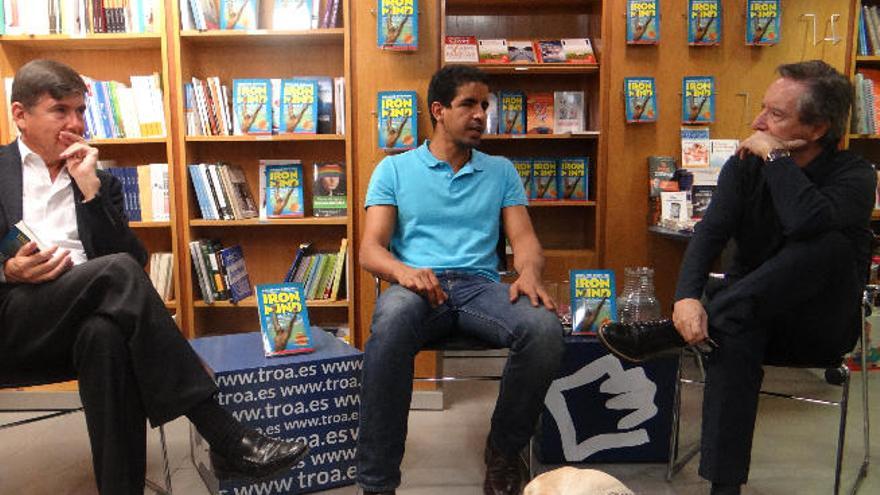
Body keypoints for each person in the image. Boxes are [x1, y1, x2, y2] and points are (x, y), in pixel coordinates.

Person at [0, 59, 308, 494]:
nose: (75, 124)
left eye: (81, 111)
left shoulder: (98, 181)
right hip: (14, 320)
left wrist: (89, 191)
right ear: (20, 115)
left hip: (76, 320)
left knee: (104, 333)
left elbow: (131, 263)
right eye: (60, 111)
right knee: (114, 276)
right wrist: (7, 270)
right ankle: (223, 434)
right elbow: (121, 271)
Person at [598, 60, 876, 494]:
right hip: (750, 315)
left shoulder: (855, 176)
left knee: (829, 244)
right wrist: (686, 298)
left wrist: (778, 158)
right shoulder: (744, 167)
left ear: (818, 128)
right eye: (763, 109)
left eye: (776, 115)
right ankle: (723, 488)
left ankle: (673, 332)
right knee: (734, 325)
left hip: (817, 327)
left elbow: (806, 220)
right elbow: (709, 236)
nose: (757, 123)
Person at [357, 65, 564, 495]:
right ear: (438, 110)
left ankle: (504, 453)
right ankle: (377, 481)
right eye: (468, 103)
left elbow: (525, 241)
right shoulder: (393, 170)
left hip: (479, 288)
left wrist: (528, 273)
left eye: (484, 105)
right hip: (416, 287)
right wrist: (404, 272)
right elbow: (370, 249)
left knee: (544, 328)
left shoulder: (501, 171)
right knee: (391, 321)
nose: (480, 114)